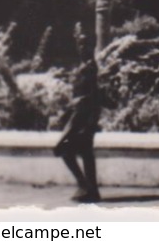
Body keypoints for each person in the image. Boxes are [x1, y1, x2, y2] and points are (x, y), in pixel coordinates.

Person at [52, 28, 101, 203]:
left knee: (67, 150)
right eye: (80, 43)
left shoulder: (88, 69)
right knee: (84, 154)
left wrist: (64, 135)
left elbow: (86, 102)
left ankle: (87, 187)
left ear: (92, 45)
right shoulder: (88, 67)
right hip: (86, 119)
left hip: (83, 120)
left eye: (86, 44)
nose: (82, 47)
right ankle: (89, 188)